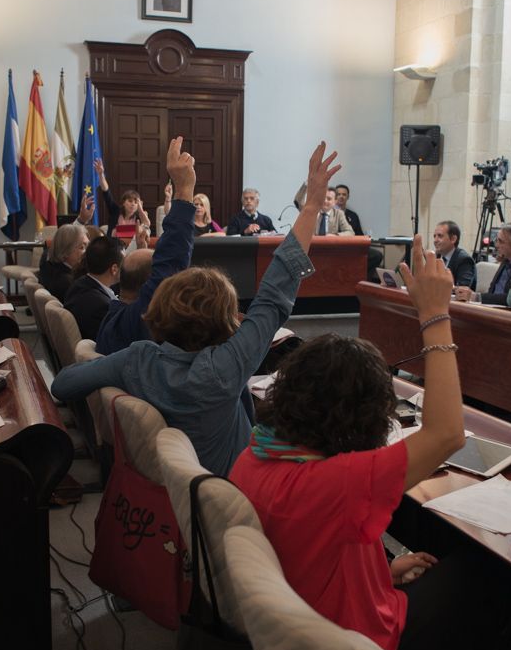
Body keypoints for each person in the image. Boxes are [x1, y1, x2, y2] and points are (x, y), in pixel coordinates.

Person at [229, 240, 504, 650]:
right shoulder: (336, 482)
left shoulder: (256, 454)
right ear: (363, 420)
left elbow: (312, 550)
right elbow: (446, 434)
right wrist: (436, 315)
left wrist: (380, 574)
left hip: (314, 631)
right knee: (484, 571)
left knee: (434, 568)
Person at [52, 137, 342, 476]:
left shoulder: (139, 360)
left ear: (159, 311)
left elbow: (62, 385)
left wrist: (116, 372)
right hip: (234, 489)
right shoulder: (226, 366)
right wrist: (311, 209)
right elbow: (277, 289)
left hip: (175, 492)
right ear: (226, 322)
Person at [96, 174, 196, 355]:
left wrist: (141, 247)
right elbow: (172, 260)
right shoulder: (139, 321)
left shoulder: (115, 313)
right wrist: (184, 188)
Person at [63, 236, 125, 341]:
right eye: (125, 262)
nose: (126, 266)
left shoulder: (80, 284)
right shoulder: (101, 306)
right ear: (114, 269)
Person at [455, 221, 511, 305]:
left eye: (501, 241)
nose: (496, 245)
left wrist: (476, 296)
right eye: (496, 240)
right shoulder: (506, 260)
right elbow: (492, 292)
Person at [93, 158, 148, 237]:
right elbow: (106, 192)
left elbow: (147, 225)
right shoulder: (115, 211)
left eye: (136, 202)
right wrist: (101, 174)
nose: (133, 204)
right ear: (123, 202)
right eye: (130, 201)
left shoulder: (140, 217)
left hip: (133, 248)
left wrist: (141, 210)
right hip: (113, 246)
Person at [39, 224, 88, 301]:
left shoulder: (52, 267)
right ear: (66, 250)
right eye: (82, 247)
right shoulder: (66, 283)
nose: (86, 253)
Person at [431, 220, 477, 289]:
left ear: (453, 239)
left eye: (440, 236)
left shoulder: (465, 260)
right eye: (434, 236)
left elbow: (462, 289)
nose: (435, 240)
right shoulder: (438, 257)